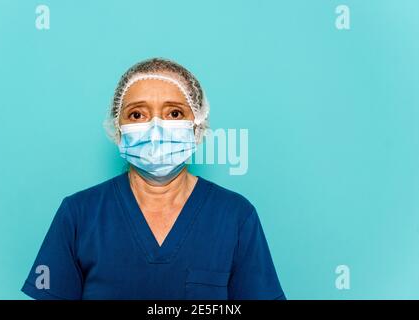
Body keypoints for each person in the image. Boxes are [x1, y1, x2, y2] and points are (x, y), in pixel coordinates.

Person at [21, 57, 285, 300]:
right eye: (137, 114)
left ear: (198, 126)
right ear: (118, 128)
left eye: (174, 113)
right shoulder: (79, 214)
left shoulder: (235, 216)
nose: (155, 128)